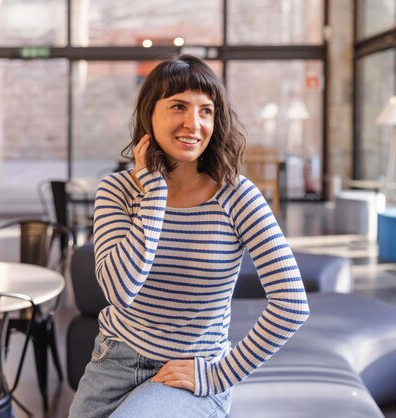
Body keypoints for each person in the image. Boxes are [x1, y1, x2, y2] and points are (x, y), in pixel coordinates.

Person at [68, 55, 310, 418]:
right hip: (113, 362)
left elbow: (291, 304)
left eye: (206, 111)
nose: (193, 123)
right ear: (150, 114)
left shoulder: (237, 196)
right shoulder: (117, 191)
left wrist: (218, 374)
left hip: (191, 372)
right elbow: (120, 291)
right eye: (178, 106)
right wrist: (154, 195)